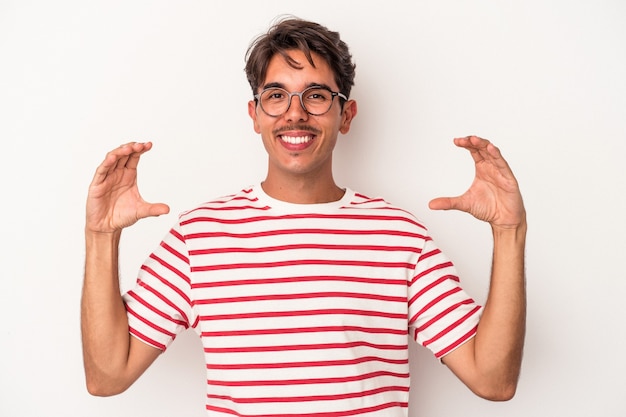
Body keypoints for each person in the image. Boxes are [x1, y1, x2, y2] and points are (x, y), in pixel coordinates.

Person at [81, 16, 526, 416]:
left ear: (345, 114)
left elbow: (493, 381)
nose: (295, 114)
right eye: (276, 96)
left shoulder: (400, 237)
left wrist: (509, 233)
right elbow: (108, 376)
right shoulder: (199, 238)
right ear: (255, 115)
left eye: (315, 95)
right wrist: (101, 236)